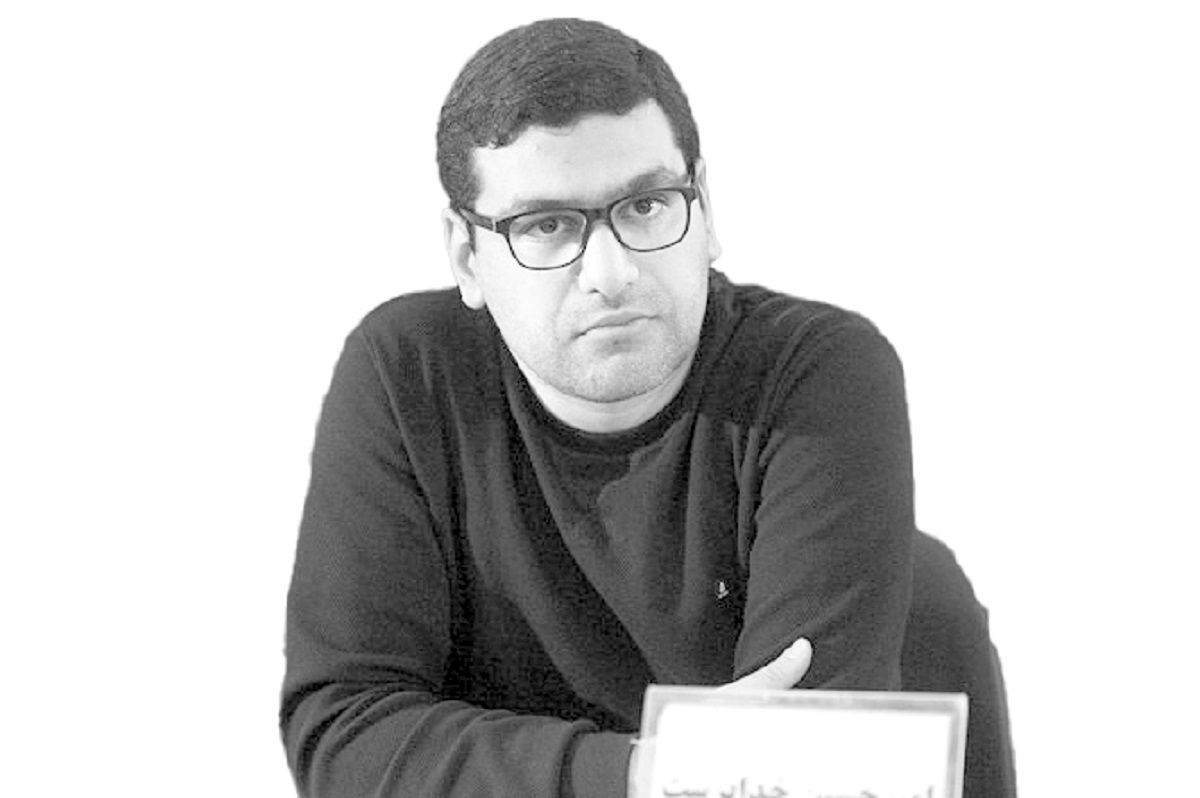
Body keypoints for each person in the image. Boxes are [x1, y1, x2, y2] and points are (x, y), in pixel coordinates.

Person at [281, 17, 915, 798]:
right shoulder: (406, 373)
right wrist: (645, 771)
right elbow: (346, 737)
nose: (610, 273)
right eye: (546, 226)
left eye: (646, 205)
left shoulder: (818, 371)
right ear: (465, 254)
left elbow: (802, 765)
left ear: (706, 208)